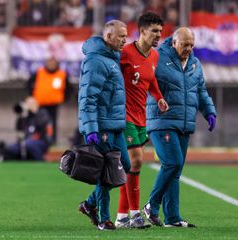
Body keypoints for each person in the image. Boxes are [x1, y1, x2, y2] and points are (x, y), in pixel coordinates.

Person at [142, 27, 217, 227]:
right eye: (185, 44)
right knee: (173, 163)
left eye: (192, 45)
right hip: (162, 120)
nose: (189, 49)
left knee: (175, 170)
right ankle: (151, 205)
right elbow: (145, 82)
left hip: (183, 123)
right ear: (174, 42)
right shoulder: (157, 57)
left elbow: (200, 90)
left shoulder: (195, 64)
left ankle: (172, 217)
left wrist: (209, 111)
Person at [115, 12, 168, 229]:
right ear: (142, 31)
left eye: (160, 32)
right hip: (124, 115)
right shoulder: (125, 52)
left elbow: (151, 78)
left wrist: (159, 97)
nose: (158, 35)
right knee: (135, 161)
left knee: (131, 166)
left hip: (141, 117)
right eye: (155, 31)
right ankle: (136, 214)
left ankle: (121, 217)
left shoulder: (154, 56)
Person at [77, 20, 131, 231]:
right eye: (120, 36)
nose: (124, 40)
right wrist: (91, 128)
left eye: (126, 36)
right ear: (108, 37)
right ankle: (104, 218)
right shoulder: (96, 61)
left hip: (115, 125)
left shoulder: (110, 59)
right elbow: (88, 97)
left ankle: (90, 204)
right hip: (102, 127)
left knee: (124, 166)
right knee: (105, 171)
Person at [27, 56, 71, 144]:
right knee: (37, 122)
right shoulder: (39, 72)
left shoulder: (61, 74)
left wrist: (64, 99)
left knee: (51, 124)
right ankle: (37, 140)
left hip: (53, 105)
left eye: (53, 63)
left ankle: (51, 141)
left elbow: (69, 89)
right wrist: (32, 96)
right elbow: (29, 84)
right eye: (49, 62)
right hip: (39, 104)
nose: (51, 65)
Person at [5, 96, 53, 161]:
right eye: (27, 103)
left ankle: (40, 161)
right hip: (26, 141)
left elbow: (42, 124)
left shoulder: (42, 112)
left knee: (29, 144)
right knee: (12, 148)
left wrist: (34, 111)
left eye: (30, 103)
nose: (27, 105)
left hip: (41, 141)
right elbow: (19, 129)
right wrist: (22, 116)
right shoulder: (26, 116)